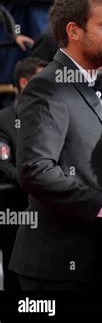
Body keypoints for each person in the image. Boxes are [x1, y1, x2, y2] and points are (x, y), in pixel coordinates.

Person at [9, 0, 102, 291]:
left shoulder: (99, 83)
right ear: (74, 31)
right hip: (59, 265)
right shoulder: (48, 87)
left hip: (98, 258)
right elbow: (36, 171)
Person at [0, 57, 46, 292]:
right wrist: (39, 181)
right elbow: (4, 165)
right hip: (15, 207)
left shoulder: (52, 116)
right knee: (14, 267)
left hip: (51, 208)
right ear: (25, 83)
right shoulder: (4, 119)